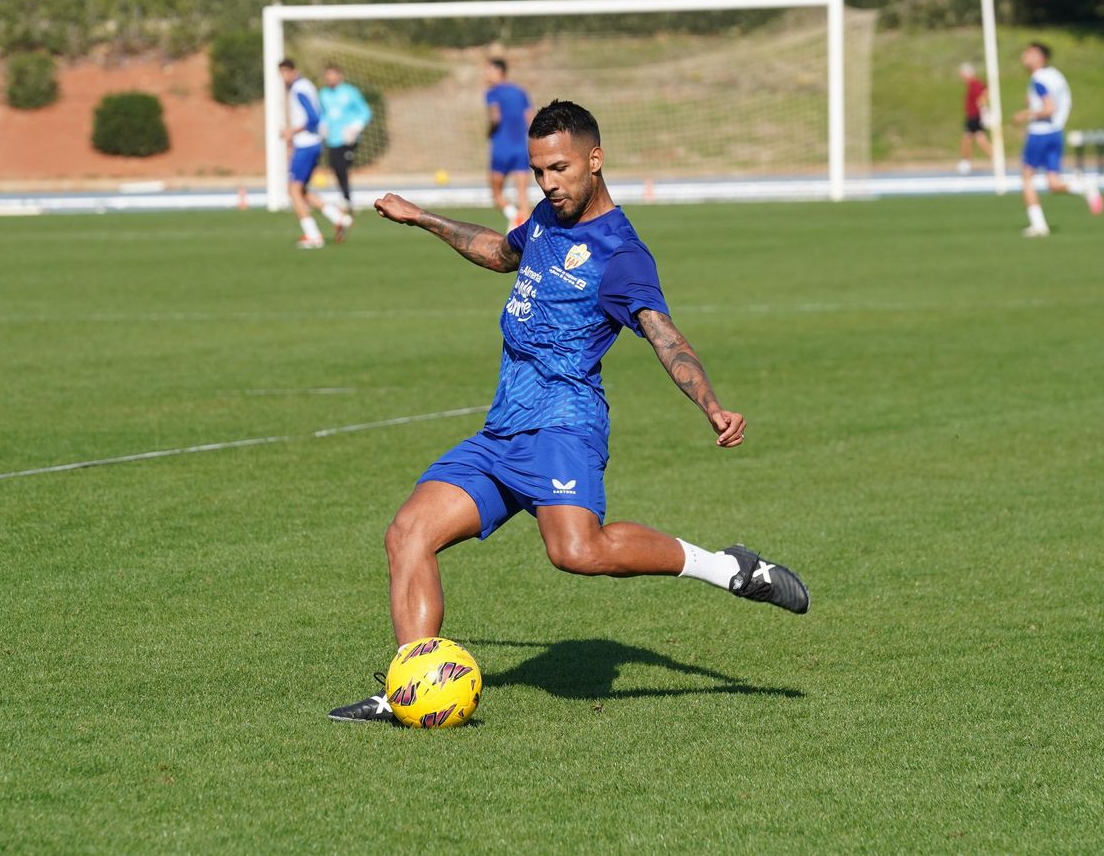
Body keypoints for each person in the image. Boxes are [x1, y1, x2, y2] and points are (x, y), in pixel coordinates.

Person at [328, 100, 811, 724]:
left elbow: (665, 336)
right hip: (504, 428)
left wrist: (711, 404)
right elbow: (501, 253)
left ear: (595, 159)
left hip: (563, 425)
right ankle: (409, 690)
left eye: (559, 168)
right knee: (408, 535)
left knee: (577, 553)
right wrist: (420, 217)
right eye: (538, 172)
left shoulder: (621, 254)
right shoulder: (546, 219)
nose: (548, 183)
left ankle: (728, 567)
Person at [1013, 42, 1102, 237]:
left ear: (1040, 57)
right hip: (1056, 132)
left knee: (1027, 177)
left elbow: (1048, 108)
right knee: (1053, 183)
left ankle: (1038, 225)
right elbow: (1063, 101)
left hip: (1040, 133)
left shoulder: (1039, 79)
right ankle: (1086, 187)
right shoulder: (1056, 75)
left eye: (1030, 53)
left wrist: (1025, 114)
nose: (1025, 56)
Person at [278, 58, 352, 248]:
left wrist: (291, 132)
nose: (283, 78)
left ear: (292, 71)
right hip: (314, 144)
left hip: (306, 145)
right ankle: (339, 218)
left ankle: (313, 235)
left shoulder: (299, 89)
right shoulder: (307, 85)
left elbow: (313, 118)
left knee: (292, 190)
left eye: (285, 73)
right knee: (301, 190)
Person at [483, 58, 532, 232]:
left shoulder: (492, 93)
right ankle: (526, 232)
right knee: (522, 195)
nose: (486, 74)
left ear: (499, 72)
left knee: (496, 193)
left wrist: (489, 131)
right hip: (521, 148)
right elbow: (530, 119)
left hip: (502, 149)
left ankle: (513, 215)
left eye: (489, 71)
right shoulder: (520, 92)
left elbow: (495, 117)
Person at [318, 64, 372, 214]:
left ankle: (347, 199)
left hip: (348, 138)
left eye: (333, 74)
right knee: (336, 168)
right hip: (332, 139)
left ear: (340, 76)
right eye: (327, 75)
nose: (330, 78)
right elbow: (323, 113)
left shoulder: (350, 92)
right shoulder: (323, 94)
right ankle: (346, 198)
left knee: (343, 167)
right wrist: (323, 125)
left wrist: (355, 127)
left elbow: (365, 111)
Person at [957, 62, 992, 175]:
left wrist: (984, 111)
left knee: (968, 138)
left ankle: (965, 162)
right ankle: (994, 158)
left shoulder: (974, 84)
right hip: (974, 115)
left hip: (975, 115)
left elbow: (981, 97)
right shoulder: (974, 84)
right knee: (979, 138)